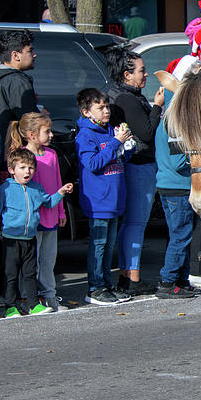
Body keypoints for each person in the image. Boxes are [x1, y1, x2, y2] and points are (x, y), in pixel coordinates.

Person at [107, 46, 164, 295]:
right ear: (126, 74)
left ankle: (128, 275)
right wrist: (158, 106)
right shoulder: (127, 98)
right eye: (141, 71)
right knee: (136, 223)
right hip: (138, 165)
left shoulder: (123, 95)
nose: (146, 74)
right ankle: (132, 277)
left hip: (135, 164)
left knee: (131, 223)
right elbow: (146, 132)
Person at [76, 88, 134, 305]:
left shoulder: (111, 130)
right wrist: (116, 143)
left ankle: (106, 284)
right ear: (86, 112)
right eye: (100, 107)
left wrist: (127, 146)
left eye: (107, 106)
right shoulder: (85, 135)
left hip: (114, 198)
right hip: (98, 199)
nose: (106, 110)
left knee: (109, 246)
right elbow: (92, 164)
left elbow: (119, 159)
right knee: (99, 244)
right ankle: (95, 287)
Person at [5, 112, 67, 311]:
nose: (51, 135)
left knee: (48, 260)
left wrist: (61, 211)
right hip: (32, 220)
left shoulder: (52, 155)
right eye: (47, 131)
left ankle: (50, 296)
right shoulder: (23, 158)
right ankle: (30, 298)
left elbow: (57, 183)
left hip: (51, 216)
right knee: (31, 265)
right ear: (31, 135)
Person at [0, 148, 73, 317]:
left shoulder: (36, 188)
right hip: (11, 239)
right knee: (10, 274)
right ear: (12, 170)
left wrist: (60, 192)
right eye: (22, 167)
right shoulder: (5, 189)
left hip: (30, 238)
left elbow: (48, 202)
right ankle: (10, 306)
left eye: (31, 168)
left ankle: (33, 304)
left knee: (30, 273)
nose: (27, 171)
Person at [154, 83, 201, 298]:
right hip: (177, 187)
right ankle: (168, 281)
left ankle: (181, 280)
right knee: (180, 236)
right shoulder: (174, 124)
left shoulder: (171, 121)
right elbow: (178, 162)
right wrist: (200, 156)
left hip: (175, 186)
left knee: (183, 235)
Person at [0, 30, 40, 159]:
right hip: (13, 153)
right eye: (29, 51)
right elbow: (29, 120)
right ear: (15, 55)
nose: (34, 55)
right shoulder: (17, 81)